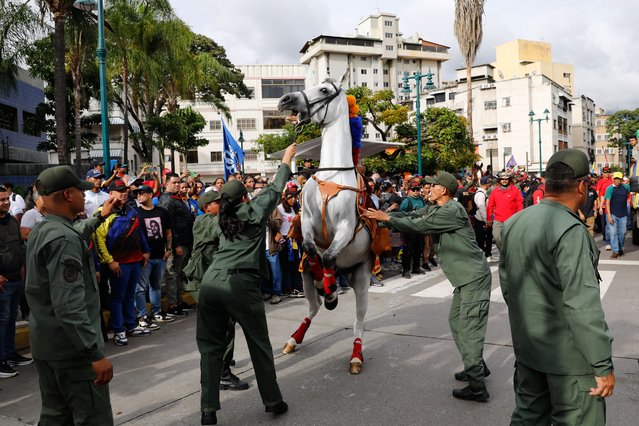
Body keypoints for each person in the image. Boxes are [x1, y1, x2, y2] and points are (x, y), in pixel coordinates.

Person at [499, 149, 615, 425]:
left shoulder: (515, 222)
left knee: (529, 418)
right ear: (582, 186)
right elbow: (581, 305)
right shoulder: (570, 230)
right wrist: (601, 363)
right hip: (568, 358)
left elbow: (508, 288)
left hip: (528, 348)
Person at [363, 171, 492, 402]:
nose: (427, 189)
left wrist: (388, 219)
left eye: (432, 186)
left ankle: (477, 387)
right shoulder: (436, 207)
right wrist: (381, 214)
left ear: (444, 190)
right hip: (464, 279)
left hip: (473, 278)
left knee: (469, 330)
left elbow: (421, 225)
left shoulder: (452, 211)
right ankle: (477, 366)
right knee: (457, 323)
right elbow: (413, 214)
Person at [196, 144, 295, 425]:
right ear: (244, 196)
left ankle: (208, 410)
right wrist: (287, 158)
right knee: (259, 344)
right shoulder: (252, 211)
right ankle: (273, 401)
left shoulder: (217, 219)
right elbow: (276, 187)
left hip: (211, 282)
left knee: (210, 348)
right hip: (241, 283)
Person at [25, 165, 117, 424]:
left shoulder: (44, 230)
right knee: (93, 418)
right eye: (80, 191)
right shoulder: (63, 239)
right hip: (73, 352)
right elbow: (68, 305)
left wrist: (99, 216)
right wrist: (94, 354)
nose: (84, 196)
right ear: (67, 195)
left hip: (47, 345)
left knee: (56, 415)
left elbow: (73, 234)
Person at [185, 191, 249, 394]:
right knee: (223, 323)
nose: (221, 205)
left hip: (213, 279)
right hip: (201, 281)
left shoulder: (215, 218)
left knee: (225, 322)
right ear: (206, 208)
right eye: (217, 203)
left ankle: (222, 361)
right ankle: (222, 373)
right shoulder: (204, 222)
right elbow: (227, 225)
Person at [94, 179, 151, 345]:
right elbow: (98, 239)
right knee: (117, 297)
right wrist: (109, 261)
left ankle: (131, 325)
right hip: (118, 263)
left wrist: (145, 251)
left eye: (125, 190)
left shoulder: (132, 211)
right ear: (111, 194)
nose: (124, 193)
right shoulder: (103, 213)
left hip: (135, 261)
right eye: (119, 190)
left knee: (129, 295)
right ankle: (119, 329)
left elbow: (139, 233)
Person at [0, 187, 31, 379]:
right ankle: (1, 360)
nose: (5, 202)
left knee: (11, 319)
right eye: (1, 200)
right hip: (2, 282)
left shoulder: (11, 220)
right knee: (2, 321)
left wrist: (22, 265)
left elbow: (19, 244)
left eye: (6, 199)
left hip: (16, 278)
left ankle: (11, 355)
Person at [134, 185, 174, 327]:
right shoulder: (136, 213)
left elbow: (168, 232)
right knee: (140, 288)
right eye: (137, 194)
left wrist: (168, 249)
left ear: (150, 195)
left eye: (142, 193)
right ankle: (142, 316)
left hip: (160, 255)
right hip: (144, 257)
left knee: (156, 286)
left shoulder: (162, 212)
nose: (138, 196)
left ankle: (156, 313)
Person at [159, 173, 194, 316]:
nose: (177, 185)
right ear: (166, 183)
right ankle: (173, 305)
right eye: (174, 182)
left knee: (179, 274)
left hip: (185, 241)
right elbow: (169, 226)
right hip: (176, 244)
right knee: (172, 274)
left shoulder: (177, 198)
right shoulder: (167, 200)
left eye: (178, 182)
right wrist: (175, 245)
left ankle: (179, 302)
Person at [486, 171, 523, 250]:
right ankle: (504, 254)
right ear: (499, 180)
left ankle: (510, 256)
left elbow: (520, 205)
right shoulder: (495, 191)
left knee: (512, 241)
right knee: (497, 238)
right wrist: (489, 219)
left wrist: (519, 218)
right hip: (498, 220)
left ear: (509, 180)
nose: (504, 180)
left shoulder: (515, 190)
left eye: (506, 179)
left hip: (512, 220)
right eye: (502, 179)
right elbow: (490, 206)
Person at [399, 180, 426, 278]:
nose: (416, 191)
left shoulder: (421, 199)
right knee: (408, 250)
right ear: (410, 190)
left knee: (419, 248)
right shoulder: (407, 201)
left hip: (419, 228)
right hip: (409, 229)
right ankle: (405, 270)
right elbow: (401, 214)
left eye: (418, 189)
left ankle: (416, 268)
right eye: (414, 189)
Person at [604, 171, 630, 258]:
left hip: (623, 214)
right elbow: (607, 203)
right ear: (613, 179)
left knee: (622, 232)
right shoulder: (609, 188)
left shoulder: (626, 187)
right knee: (613, 233)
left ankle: (620, 248)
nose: (617, 180)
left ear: (621, 179)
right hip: (613, 214)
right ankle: (615, 251)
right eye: (616, 179)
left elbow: (631, 194)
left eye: (619, 179)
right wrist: (609, 215)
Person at [473, 176, 494, 261]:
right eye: (489, 183)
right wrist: (486, 221)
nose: (490, 185)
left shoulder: (483, 193)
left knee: (488, 238)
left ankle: (487, 254)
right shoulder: (480, 194)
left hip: (484, 219)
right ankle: (482, 256)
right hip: (481, 220)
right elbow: (482, 207)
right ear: (486, 184)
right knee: (481, 239)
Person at [595, 167, 613, 250]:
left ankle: (608, 239)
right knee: (603, 224)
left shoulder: (612, 180)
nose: (607, 173)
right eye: (605, 172)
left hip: (611, 204)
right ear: (602, 173)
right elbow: (598, 193)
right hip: (602, 204)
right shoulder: (600, 181)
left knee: (610, 223)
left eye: (608, 172)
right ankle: (605, 235)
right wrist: (599, 204)